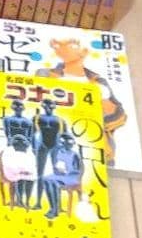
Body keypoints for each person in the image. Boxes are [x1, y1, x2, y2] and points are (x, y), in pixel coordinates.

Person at [35, 37, 126, 165]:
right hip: (54, 149)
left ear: (84, 51)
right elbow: (35, 105)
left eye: (71, 45)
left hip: (95, 153)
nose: (63, 49)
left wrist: (99, 110)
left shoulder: (99, 82)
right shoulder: (45, 74)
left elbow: (120, 117)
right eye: (58, 46)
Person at [32, 99, 66, 210]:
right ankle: (38, 203)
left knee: (57, 175)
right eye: (46, 106)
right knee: (39, 174)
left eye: (50, 107)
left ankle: (59, 205)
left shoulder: (60, 120)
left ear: (54, 107)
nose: (48, 109)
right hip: (42, 146)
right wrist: (33, 147)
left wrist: (62, 151)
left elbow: (64, 136)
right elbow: (32, 134)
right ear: (43, 106)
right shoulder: (37, 118)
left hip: (55, 146)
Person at [43, 133, 84, 220]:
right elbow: (56, 166)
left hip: (72, 177)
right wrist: (58, 169)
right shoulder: (59, 152)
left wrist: (67, 171)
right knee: (45, 180)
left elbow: (78, 169)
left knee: (54, 182)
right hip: (61, 175)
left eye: (68, 143)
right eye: (64, 143)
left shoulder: (74, 154)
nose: (65, 145)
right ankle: (52, 207)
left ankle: (55, 210)